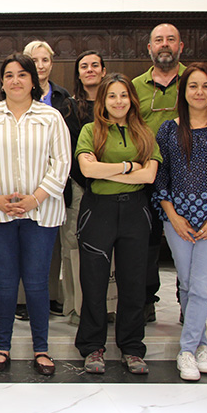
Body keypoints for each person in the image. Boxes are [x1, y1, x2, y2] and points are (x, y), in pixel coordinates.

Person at [0, 53, 71, 375]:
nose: (16, 80)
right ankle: (2, 346)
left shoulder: (51, 117)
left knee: (38, 282)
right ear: (2, 82)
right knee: (5, 281)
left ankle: (41, 348)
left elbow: (62, 163)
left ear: (34, 81)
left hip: (41, 213)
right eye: (9, 75)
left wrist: (35, 199)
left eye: (22, 75)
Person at [153, 63, 207, 381]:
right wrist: (173, 216)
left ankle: (187, 350)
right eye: (193, 86)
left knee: (202, 287)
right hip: (177, 220)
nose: (199, 92)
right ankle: (202, 344)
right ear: (183, 91)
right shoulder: (168, 130)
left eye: (206, 86)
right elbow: (160, 177)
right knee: (188, 285)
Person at [74, 73, 161, 376]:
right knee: (94, 282)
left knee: (134, 283)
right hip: (98, 212)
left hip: (135, 213)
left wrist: (106, 171)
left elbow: (149, 176)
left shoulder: (145, 133)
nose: (118, 101)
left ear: (132, 99)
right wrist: (127, 167)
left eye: (123, 95)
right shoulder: (90, 130)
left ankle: (132, 347)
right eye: (112, 95)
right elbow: (87, 168)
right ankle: (92, 347)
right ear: (103, 100)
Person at [132, 23, 186, 323]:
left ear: (180, 46)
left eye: (170, 40)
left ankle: (186, 300)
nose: (164, 45)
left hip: (187, 177)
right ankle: (146, 298)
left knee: (186, 238)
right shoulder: (137, 86)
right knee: (147, 242)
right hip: (148, 175)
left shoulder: (195, 80)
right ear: (149, 48)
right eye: (158, 40)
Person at [22, 40, 79, 321]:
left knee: (58, 244)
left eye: (45, 60)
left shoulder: (63, 99)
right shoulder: (14, 93)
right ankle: (29, 302)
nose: (41, 66)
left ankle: (59, 299)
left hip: (57, 183)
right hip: (23, 182)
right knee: (28, 244)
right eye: (35, 60)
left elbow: (69, 145)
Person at [63, 50, 108, 326]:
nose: (90, 70)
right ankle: (75, 308)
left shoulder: (115, 102)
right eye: (84, 66)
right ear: (78, 73)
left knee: (107, 249)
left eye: (95, 65)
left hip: (114, 186)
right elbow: (67, 150)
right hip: (79, 186)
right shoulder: (69, 106)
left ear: (103, 70)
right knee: (73, 247)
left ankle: (108, 306)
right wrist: (86, 177)